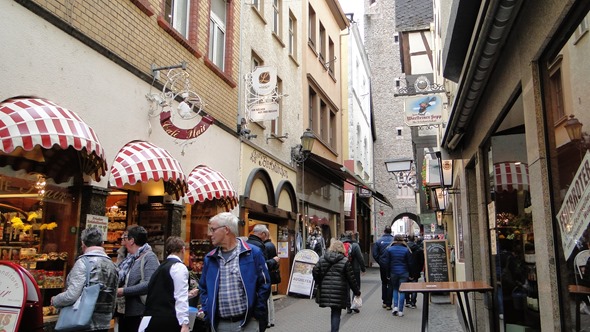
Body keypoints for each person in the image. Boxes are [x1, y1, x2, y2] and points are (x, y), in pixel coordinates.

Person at [199, 212, 271, 332]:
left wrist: (257, 312)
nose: (209, 234)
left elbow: (264, 284)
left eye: (213, 229)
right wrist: (208, 312)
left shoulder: (253, 253)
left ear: (226, 229)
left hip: (248, 323)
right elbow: (203, 288)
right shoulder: (210, 258)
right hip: (220, 325)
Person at [51, 227, 118, 332]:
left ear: (83, 243)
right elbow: (114, 297)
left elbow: (71, 295)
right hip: (104, 322)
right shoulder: (112, 265)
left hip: (83, 321)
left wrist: (55, 300)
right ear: (102, 243)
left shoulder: (83, 262)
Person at [115, 225, 160, 332]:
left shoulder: (149, 257)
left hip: (139, 313)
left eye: (125, 237)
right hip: (124, 312)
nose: (122, 239)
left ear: (132, 241)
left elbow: (149, 284)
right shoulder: (130, 258)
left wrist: (123, 291)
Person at [141, 236, 190, 332]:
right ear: (182, 250)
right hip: (169, 319)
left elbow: (164, 291)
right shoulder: (179, 267)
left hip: (151, 318)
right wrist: (184, 323)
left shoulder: (161, 267)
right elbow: (181, 296)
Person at [312, 239, 361, 332]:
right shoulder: (345, 261)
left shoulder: (323, 258)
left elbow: (315, 270)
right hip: (339, 292)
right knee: (336, 313)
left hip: (325, 291)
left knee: (333, 312)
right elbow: (351, 279)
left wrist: (319, 282)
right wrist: (357, 292)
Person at [246, 224, 279, 331]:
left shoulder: (246, 243)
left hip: (248, 282)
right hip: (259, 282)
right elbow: (263, 266)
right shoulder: (259, 246)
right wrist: (274, 260)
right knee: (262, 305)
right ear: (263, 234)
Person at [383, 234, 411, 317]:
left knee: (395, 289)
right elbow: (409, 262)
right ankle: (401, 311)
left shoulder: (389, 249)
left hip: (393, 272)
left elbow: (387, 263)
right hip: (404, 272)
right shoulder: (406, 250)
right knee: (402, 291)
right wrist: (411, 273)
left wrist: (387, 274)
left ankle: (395, 307)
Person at [340, 231, 366, 313]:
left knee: (346, 288)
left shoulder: (340, 245)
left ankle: (348, 306)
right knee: (355, 287)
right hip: (354, 270)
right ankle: (354, 305)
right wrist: (363, 268)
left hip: (343, 269)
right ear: (352, 237)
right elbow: (360, 258)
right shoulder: (355, 245)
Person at [372, 225, 394, 310]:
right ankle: (389, 303)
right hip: (392, 265)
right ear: (390, 231)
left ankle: (384, 301)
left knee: (384, 283)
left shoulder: (379, 241)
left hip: (383, 265)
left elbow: (375, 254)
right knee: (391, 284)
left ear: (384, 231)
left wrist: (380, 261)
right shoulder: (394, 240)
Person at [263, 230, 280, 328]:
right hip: (271, 274)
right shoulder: (271, 245)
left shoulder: (266, 246)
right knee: (269, 298)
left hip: (267, 274)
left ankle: (269, 320)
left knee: (267, 298)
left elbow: (266, 262)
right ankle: (272, 319)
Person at [406, 234, 424, 309]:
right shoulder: (419, 249)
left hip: (406, 269)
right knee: (415, 286)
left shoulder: (405, 248)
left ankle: (407, 301)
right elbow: (422, 261)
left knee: (406, 286)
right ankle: (413, 302)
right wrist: (419, 269)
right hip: (415, 269)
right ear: (414, 239)